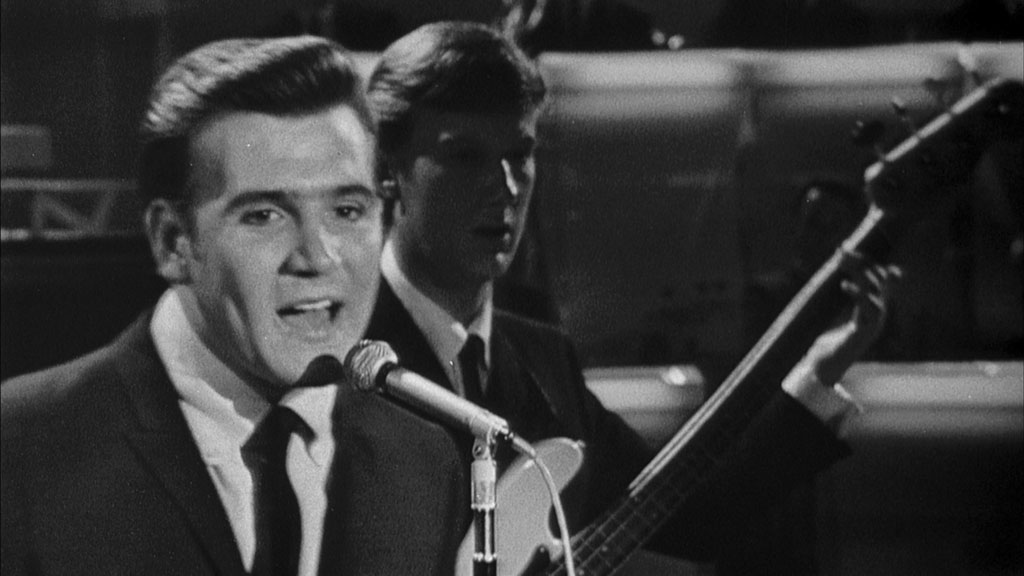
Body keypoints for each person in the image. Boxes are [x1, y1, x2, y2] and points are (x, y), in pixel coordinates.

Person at [362, 20, 900, 574]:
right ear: (386, 170)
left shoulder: (543, 359)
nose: (507, 186)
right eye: (465, 156)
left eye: (520, 154)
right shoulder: (334, 354)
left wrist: (820, 369)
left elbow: (690, 517)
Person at [1, 36, 466, 576]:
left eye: (347, 209)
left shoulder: (423, 465)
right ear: (173, 242)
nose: (318, 257)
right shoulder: (21, 451)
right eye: (264, 215)